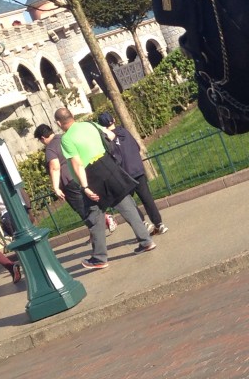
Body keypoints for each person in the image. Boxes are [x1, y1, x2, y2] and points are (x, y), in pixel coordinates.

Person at [54, 107, 156, 270]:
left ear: (59, 123)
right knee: (126, 204)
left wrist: (85, 186)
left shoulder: (66, 139)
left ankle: (99, 257)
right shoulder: (89, 125)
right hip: (109, 166)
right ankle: (146, 241)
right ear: (72, 116)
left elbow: (77, 163)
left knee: (93, 214)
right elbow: (111, 135)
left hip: (91, 175)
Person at [34, 123, 118, 235]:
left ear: (43, 138)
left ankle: (104, 222)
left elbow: (55, 167)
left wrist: (56, 187)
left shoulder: (50, 149)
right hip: (80, 175)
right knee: (90, 201)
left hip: (68, 181)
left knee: (82, 207)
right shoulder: (65, 138)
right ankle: (95, 232)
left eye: (40, 140)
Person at [98, 112, 168, 235]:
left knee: (129, 202)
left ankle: (144, 223)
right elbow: (137, 147)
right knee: (147, 198)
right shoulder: (125, 132)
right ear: (114, 119)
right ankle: (159, 224)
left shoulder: (107, 140)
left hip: (124, 174)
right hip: (137, 169)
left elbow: (114, 157)